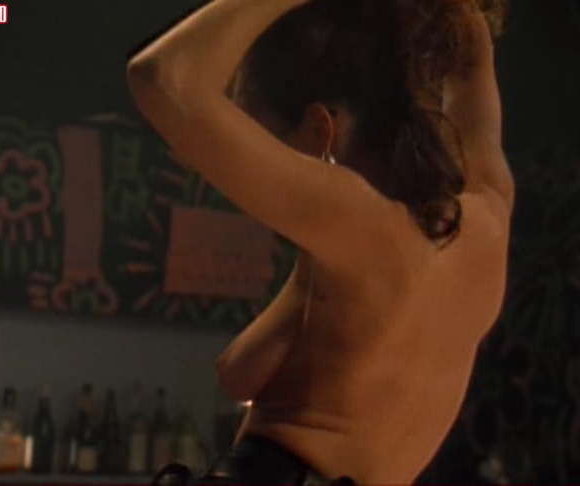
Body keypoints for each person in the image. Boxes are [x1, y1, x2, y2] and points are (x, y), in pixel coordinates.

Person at [127, 0, 513, 483]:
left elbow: (162, 78)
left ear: (318, 129)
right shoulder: (489, 213)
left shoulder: (355, 224)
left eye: (259, 137)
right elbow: (238, 374)